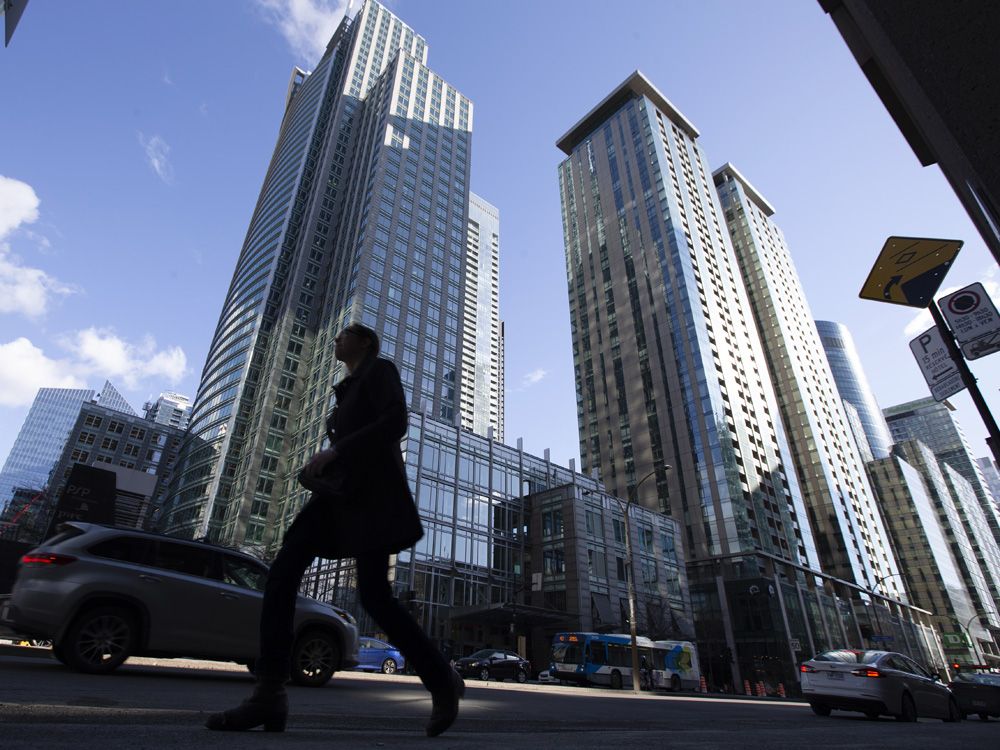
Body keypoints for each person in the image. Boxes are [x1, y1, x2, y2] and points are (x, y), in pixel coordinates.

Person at [206, 323, 464, 737]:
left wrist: (336, 450)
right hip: (339, 497)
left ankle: (440, 679)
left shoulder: (380, 370)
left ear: (365, 342)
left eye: (344, 334)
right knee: (283, 572)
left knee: (375, 597)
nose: (335, 340)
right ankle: (268, 693)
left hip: (371, 498)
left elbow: (395, 422)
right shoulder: (345, 391)